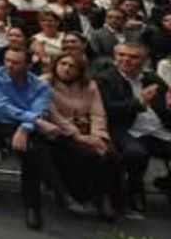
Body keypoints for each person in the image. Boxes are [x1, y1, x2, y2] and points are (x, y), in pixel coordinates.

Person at [37, 51, 123, 219]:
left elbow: (98, 113)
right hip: (61, 131)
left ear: (80, 70)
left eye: (72, 66)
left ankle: (103, 196)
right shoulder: (44, 83)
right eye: (63, 64)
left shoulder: (90, 85)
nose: (67, 69)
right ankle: (83, 196)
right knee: (87, 155)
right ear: (55, 65)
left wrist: (98, 136)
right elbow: (53, 115)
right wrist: (77, 136)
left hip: (88, 129)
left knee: (111, 155)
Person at [0, 43, 54, 229]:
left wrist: (26, 126)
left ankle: (36, 204)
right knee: (34, 152)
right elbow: (2, 105)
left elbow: (39, 109)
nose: (9, 65)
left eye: (16, 62)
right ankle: (35, 205)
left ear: (28, 65)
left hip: (28, 126)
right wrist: (34, 121)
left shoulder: (40, 85)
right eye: (7, 60)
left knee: (38, 150)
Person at [96, 41, 171, 214]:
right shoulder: (104, 79)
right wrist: (139, 102)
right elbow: (108, 110)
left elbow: (164, 106)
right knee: (136, 153)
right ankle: (135, 189)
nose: (126, 60)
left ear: (144, 61)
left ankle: (165, 183)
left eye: (133, 57)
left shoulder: (152, 78)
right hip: (126, 129)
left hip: (157, 129)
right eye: (121, 55)